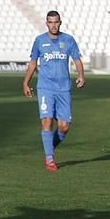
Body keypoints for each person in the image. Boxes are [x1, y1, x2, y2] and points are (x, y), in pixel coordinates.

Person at [22, 10, 85, 171]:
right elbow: (32, 63)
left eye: (56, 22)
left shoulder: (68, 40)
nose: (53, 25)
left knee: (64, 126)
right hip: (46, 88)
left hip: (64, 89)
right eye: (50, 22)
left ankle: (50, 147)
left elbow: (77, 59)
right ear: (46, 23)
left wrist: (81, 75)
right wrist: (25, 83)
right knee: (47, 121)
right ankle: (49, 159)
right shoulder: (39, 41)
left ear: (60, 22)